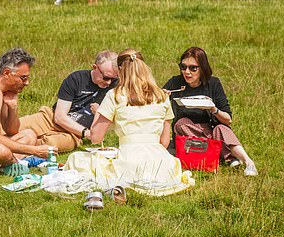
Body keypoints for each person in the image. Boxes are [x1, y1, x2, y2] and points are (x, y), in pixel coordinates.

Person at [64, 49, 194, 196]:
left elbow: (95, 138)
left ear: (120, 71)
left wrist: (99, 113)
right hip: (162, 165)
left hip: (129, 163)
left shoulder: (115, 95)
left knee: (76, 159)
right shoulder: (161, 95)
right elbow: (164, 142)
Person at [163, 47, 258, 176]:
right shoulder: (176, 82)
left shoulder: (213, 84)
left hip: (212, 130)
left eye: (193, 68)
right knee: (181, 123)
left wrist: (213, 109)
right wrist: (161, 96)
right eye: (183, 67)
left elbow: (228, 119)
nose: (187, 72)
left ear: (202, 68)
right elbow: (153, 99)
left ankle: (248, 162)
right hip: (189, 132)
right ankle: (224, 154)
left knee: (221, 129)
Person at [19, 50, 118, 152]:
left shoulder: (115, 87)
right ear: (95, 68)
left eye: (113, 79)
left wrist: (99, 113)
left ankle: (20, 146)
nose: (109, 82)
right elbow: (59, 117)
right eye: (106, 78)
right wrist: (86, 133)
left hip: (73, 134)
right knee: (16, 126)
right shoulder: (76, 79)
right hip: (50, 119)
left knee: (52, 144)